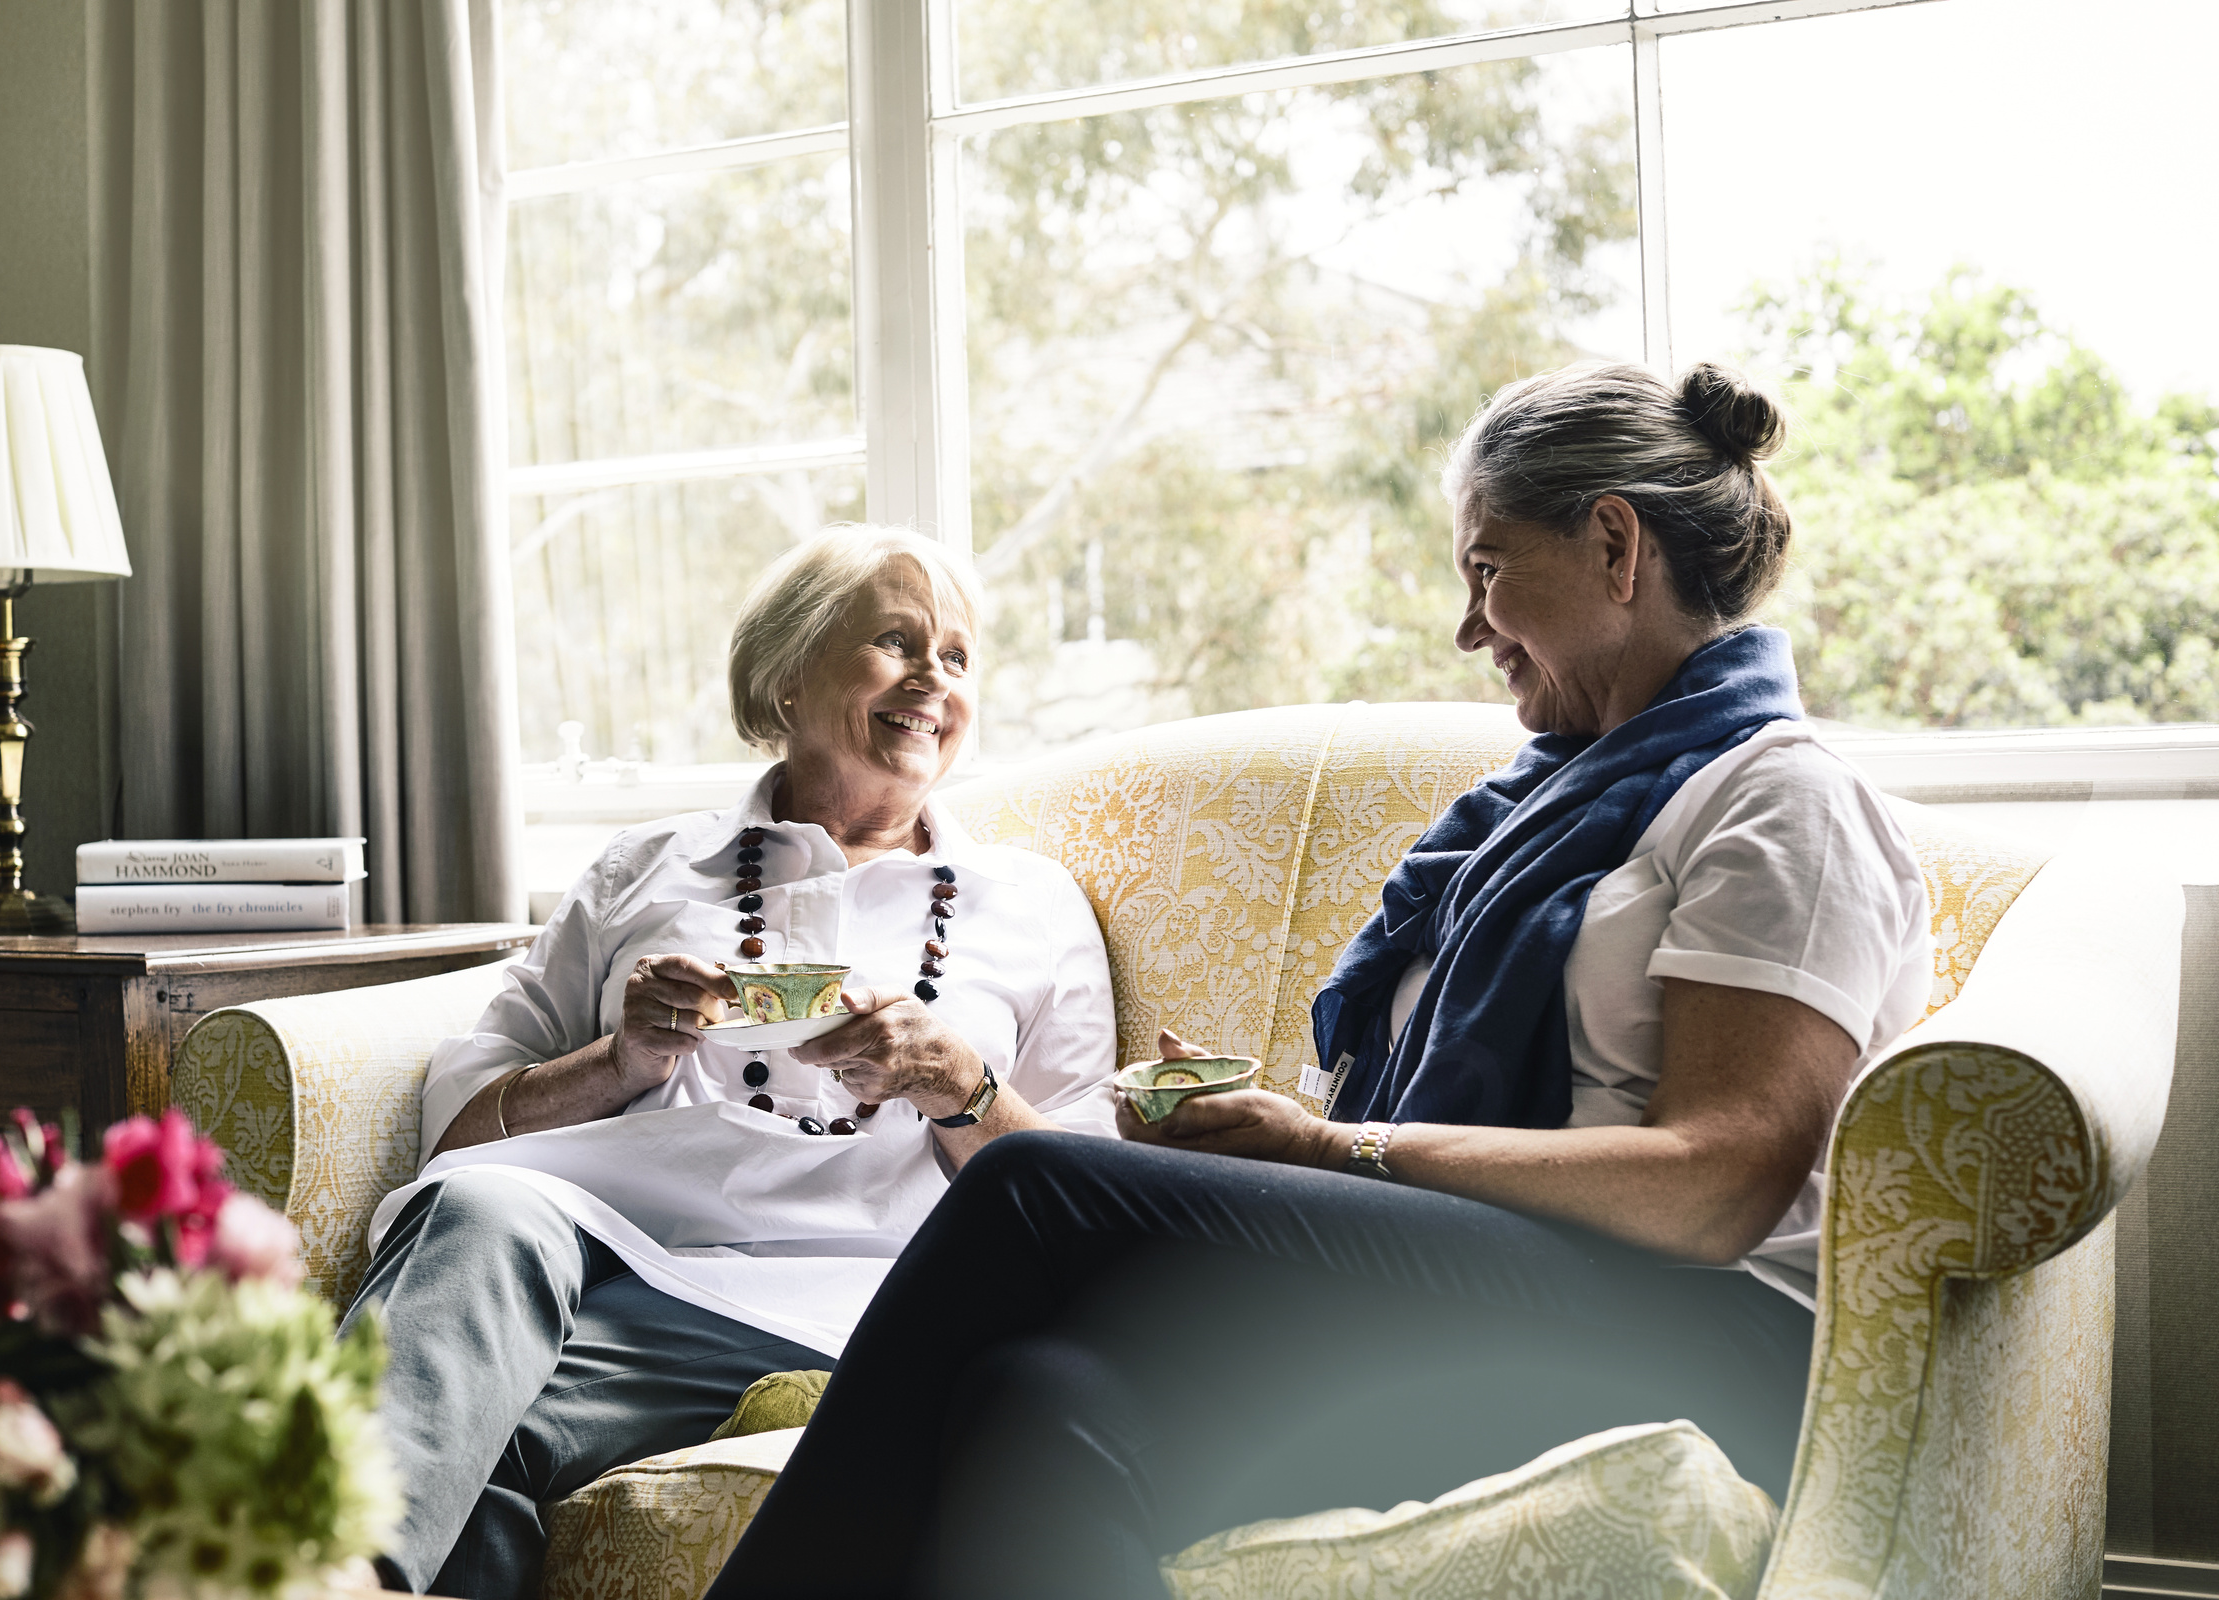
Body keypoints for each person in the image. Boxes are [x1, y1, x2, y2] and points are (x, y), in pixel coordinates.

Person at [708, 362, 1932, 1600]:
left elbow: (1717, 1187)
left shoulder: (1782, 803)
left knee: (1030, 1184)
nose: (1471, 625)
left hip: (1691, 1327)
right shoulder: (1527, 815)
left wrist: (1333, 1151)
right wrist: (1259, 1137)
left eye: (1489, 569)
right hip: (1509, 1275)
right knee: (1035, 1399)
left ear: (1616, 545)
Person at [348, 526, 1119, 1597]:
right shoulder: (647, 866)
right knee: (483, 1216)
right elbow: (460, 1129)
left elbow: (1095, 1208)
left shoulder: (1028, 904)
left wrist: (961, 1086)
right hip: (622, 1267)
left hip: (864, 1293)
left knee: (465, 1432)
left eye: (957, 656)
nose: (933, 681)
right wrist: (622, 1058)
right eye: (897, 642)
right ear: (789, 672)